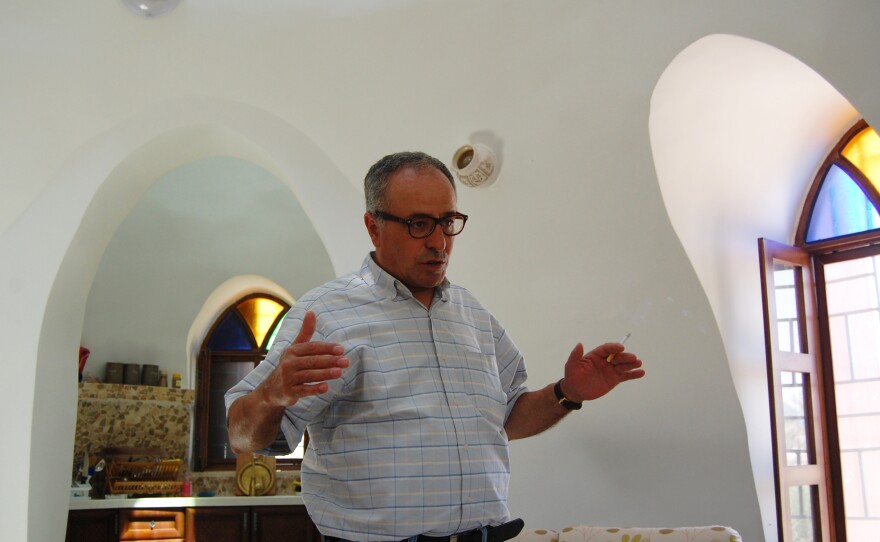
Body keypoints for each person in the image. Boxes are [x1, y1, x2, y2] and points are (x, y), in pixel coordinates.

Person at [225, 151, 645, 542]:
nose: (439, 242)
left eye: (448, 221)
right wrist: (270, 394)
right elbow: (243, 436)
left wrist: (568, 393)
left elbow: (507, 419)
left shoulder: (473, 315)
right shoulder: (327, 315)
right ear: (373, 226)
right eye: (419, 224)